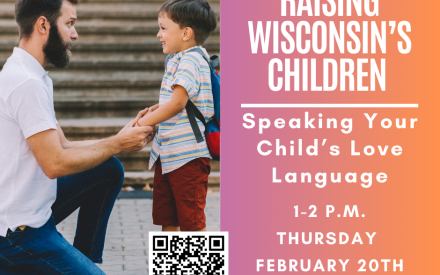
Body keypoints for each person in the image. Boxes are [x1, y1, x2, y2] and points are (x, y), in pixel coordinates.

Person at [0, 0, 154, 274]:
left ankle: (80, 260)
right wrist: (117, 144)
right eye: (69, 23)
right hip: (18, 234)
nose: (75, 34)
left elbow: (63, 145)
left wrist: (119, 139)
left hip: (35, 210)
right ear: (43, 25)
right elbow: (55, 164)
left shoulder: (32, 75)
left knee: (108, 168)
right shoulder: (27, 83)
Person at [135, 0, 217, 232]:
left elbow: (178, 103)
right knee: (168, 218)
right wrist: (152, 110)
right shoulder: (180, 59)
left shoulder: (191, 60)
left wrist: (142, 123)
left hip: (188, 156)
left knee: (191, 222)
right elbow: (177, 100)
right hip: (169, 154)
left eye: (163, 28)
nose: (158, 34)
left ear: (186, 33)